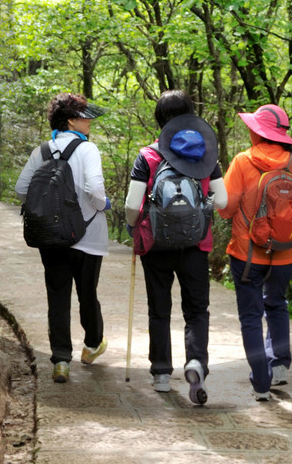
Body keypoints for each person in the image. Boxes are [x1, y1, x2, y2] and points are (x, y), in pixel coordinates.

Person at [124, 90, 228, 405]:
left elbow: (131, 205)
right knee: (196, 310)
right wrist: (203, 209)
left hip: (155, 242)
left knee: (159, 308)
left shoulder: (148, 155)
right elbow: (222, 202)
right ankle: (196, 363)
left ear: (159, 120)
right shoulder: (207, 154)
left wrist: (133, 226)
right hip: (196, 244)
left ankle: (160, 374)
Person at [218, 103, 292, 401]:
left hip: (246, 254)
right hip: (285, 254)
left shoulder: (242, 162)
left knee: (251, 316)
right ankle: (279, 366)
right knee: (276, 304)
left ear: (257, 132)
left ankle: (261, 382)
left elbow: (226, 209)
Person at [15, 93, 110, 384]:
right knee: (87, 293)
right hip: (88, 236)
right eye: (85, 116)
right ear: (70, 120)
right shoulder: (87, 149)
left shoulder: (41, 151)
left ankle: (60, 361)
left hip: (51, 237)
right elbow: (95, 187)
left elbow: (21, 189)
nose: (90, 121)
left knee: (57, 297)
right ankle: (92, 345)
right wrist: (102, 203)